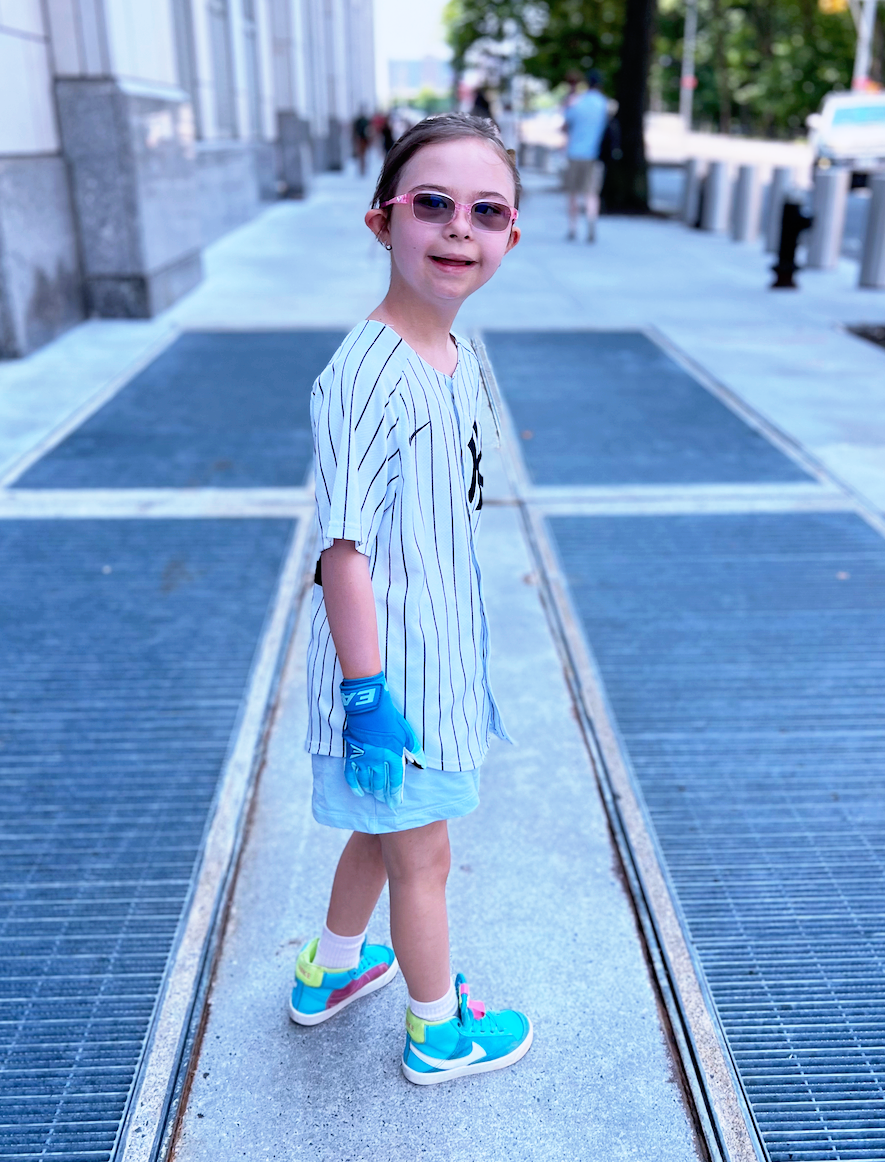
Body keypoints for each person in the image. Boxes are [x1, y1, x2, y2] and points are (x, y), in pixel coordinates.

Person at [288, 112, 533, 1086]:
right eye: (431, 204)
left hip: (435, 655)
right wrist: (365, 695)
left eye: (486, 211)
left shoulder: (457, 354)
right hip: (388, 674)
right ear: (381, 221)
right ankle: (438, 1028)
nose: (458, 229)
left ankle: (331, 969)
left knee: (379, 824)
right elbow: (342, 551)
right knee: (422, 858)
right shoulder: (362, 375)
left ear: (511, 238)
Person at [563, 69, 610, 242]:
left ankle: (572, 228)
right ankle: (591, 225)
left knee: (573, 193)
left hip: (574, 153)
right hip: (594, 155)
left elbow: (566, 124)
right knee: (591, 194)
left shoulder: (577, 102)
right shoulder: (603, 103)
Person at [353, 106, 371, 176]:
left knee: (363, 155)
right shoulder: (360, 121)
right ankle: (362, 168)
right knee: (361, 155)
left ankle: (363, 168)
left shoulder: (365, 121)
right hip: (360, 139)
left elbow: (369, 130)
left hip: (364, 139)